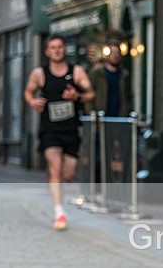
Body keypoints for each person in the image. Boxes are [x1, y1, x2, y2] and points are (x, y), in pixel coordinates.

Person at [24, 34, 95, 231]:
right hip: (50, 130)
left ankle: (58, 192)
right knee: (55, 167)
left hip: (71, 130)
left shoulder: (77, 72)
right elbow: (28, 92)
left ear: (65, 49)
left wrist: (78, 96)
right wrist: (33, 101)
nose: (56, 50)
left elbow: (91, 93)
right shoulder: (40, 73)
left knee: (68, 174)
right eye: (53, 47)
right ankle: (59, 213)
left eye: (60, 47)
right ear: (47, 51)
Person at [89, 43, 134, 184]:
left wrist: (128, 114)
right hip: (101, 118)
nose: (115, 55)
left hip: (119, 119)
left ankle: (113, 182)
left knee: (117, 154)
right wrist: (93, 116)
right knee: (99, 153)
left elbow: (129, 96)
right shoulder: (98, 73)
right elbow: (90, 94)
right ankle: (97, 183)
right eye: (112, 52)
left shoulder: (125, 75)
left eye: (118, 53)